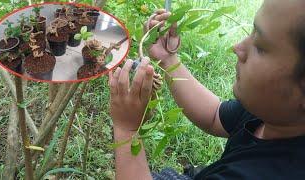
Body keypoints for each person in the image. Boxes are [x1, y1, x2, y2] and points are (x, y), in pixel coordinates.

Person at [108, 0, 305, 179]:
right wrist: (168, 59)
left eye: (261, 46)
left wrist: (127, 128)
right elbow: (214, 115)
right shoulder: (275, 113)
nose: (237, 47)